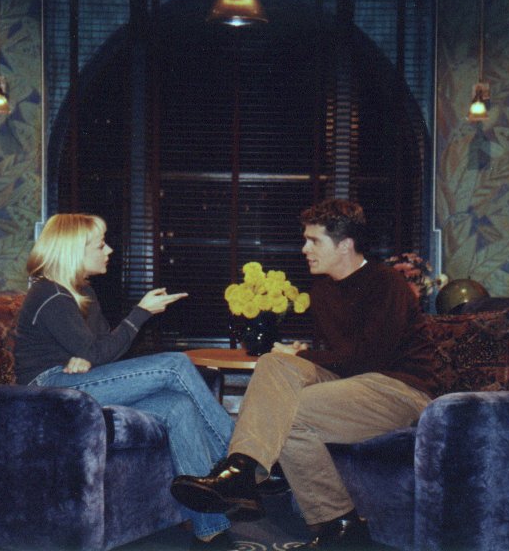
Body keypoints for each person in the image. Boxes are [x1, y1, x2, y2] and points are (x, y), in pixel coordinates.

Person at [170, 199, 441, 549]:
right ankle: (247, 474)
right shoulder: (323, 290)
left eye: (314, 241)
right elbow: (343, 357)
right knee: (274, 363)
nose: (304, 249)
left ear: (344, 245)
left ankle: (253, 481)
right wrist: (296, 355)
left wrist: (303, 354)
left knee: (287, 410)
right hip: (353, 383)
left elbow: (367, 358)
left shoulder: (386, 284)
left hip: (400, 389)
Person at [13, 213, 235, 546]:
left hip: (71, 382)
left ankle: (211, 526)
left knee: (178, 406)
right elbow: (97, 351)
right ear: (74, 250)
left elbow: (102, 351)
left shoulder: (82, 292)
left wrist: (84, 356)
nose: (109, 250)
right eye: (100, 245)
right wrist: (140, 313)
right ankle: (238, 458)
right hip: (48, 393)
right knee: (175, 364)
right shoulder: (51, 294)